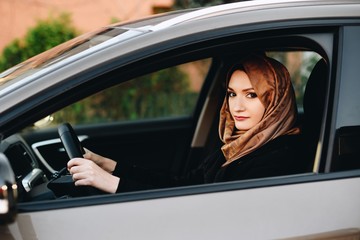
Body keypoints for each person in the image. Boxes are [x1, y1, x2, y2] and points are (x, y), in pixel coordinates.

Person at [67, 53, 306, 194]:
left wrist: (112, 183)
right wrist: (111, 166)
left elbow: (205, 211)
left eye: (251, 95)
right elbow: (185, 185)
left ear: (276, 100)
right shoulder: (239, 144)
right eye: (232, 94)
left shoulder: (279, 159)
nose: (237, 107)